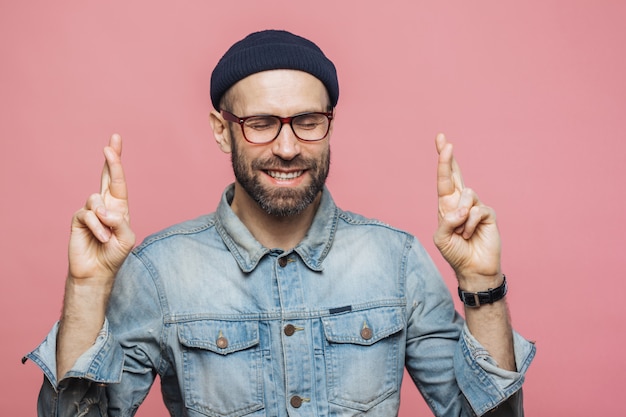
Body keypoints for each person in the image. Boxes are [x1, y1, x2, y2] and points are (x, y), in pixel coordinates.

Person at [26, 30, 535, 416]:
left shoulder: (396, 260)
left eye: (307, 122)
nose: (287, 148)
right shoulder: (159, 271)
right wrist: (88, 287)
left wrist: (481, 283)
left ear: (330, 124)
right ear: (222, 132)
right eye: (261, 123)